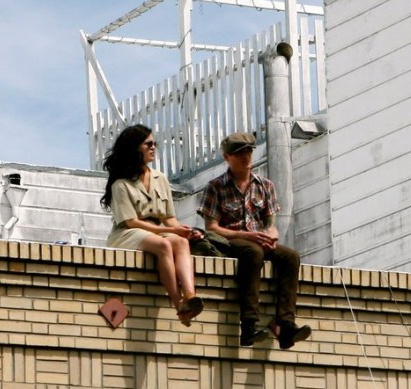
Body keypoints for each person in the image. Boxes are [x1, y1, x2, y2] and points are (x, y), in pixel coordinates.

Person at [198, 132, 311, 349]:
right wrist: (247, 235)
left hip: (258, 240)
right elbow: (211, 228)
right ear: (227, 157)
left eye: (249, 151)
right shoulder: (216, 186)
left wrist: (272, 235)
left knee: (290, 257)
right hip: (230, 241)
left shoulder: (265, 185)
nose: (246, 157)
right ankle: (248, 325)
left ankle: (285, 325)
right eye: (239, 153)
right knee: (253, 253)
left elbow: (271, 223)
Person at [101, 124, 205, 325]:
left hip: (156, 231)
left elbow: (169, 217)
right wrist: (170, 230)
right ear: (134, 148)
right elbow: (131, 222)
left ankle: (190, 296)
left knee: (181, 243)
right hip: (127, 234)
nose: (153, 147)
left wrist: (184, 230)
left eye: (154, 143)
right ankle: (178, 305)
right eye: (148, 144)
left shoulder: (160, 178)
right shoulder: (120, 184)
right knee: (164, 245)